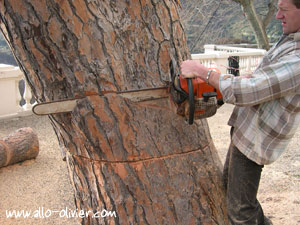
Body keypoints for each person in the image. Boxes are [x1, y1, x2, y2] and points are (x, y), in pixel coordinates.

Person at [180, 0, 300, 224]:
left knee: (241, 213)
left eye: (284, 10)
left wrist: (201, 71)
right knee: (235, 196)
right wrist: (243, 78)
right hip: (247, 132)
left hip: (257, 141)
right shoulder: (291, 40)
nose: (277, 16)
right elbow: (265, 79)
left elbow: (248, 91)